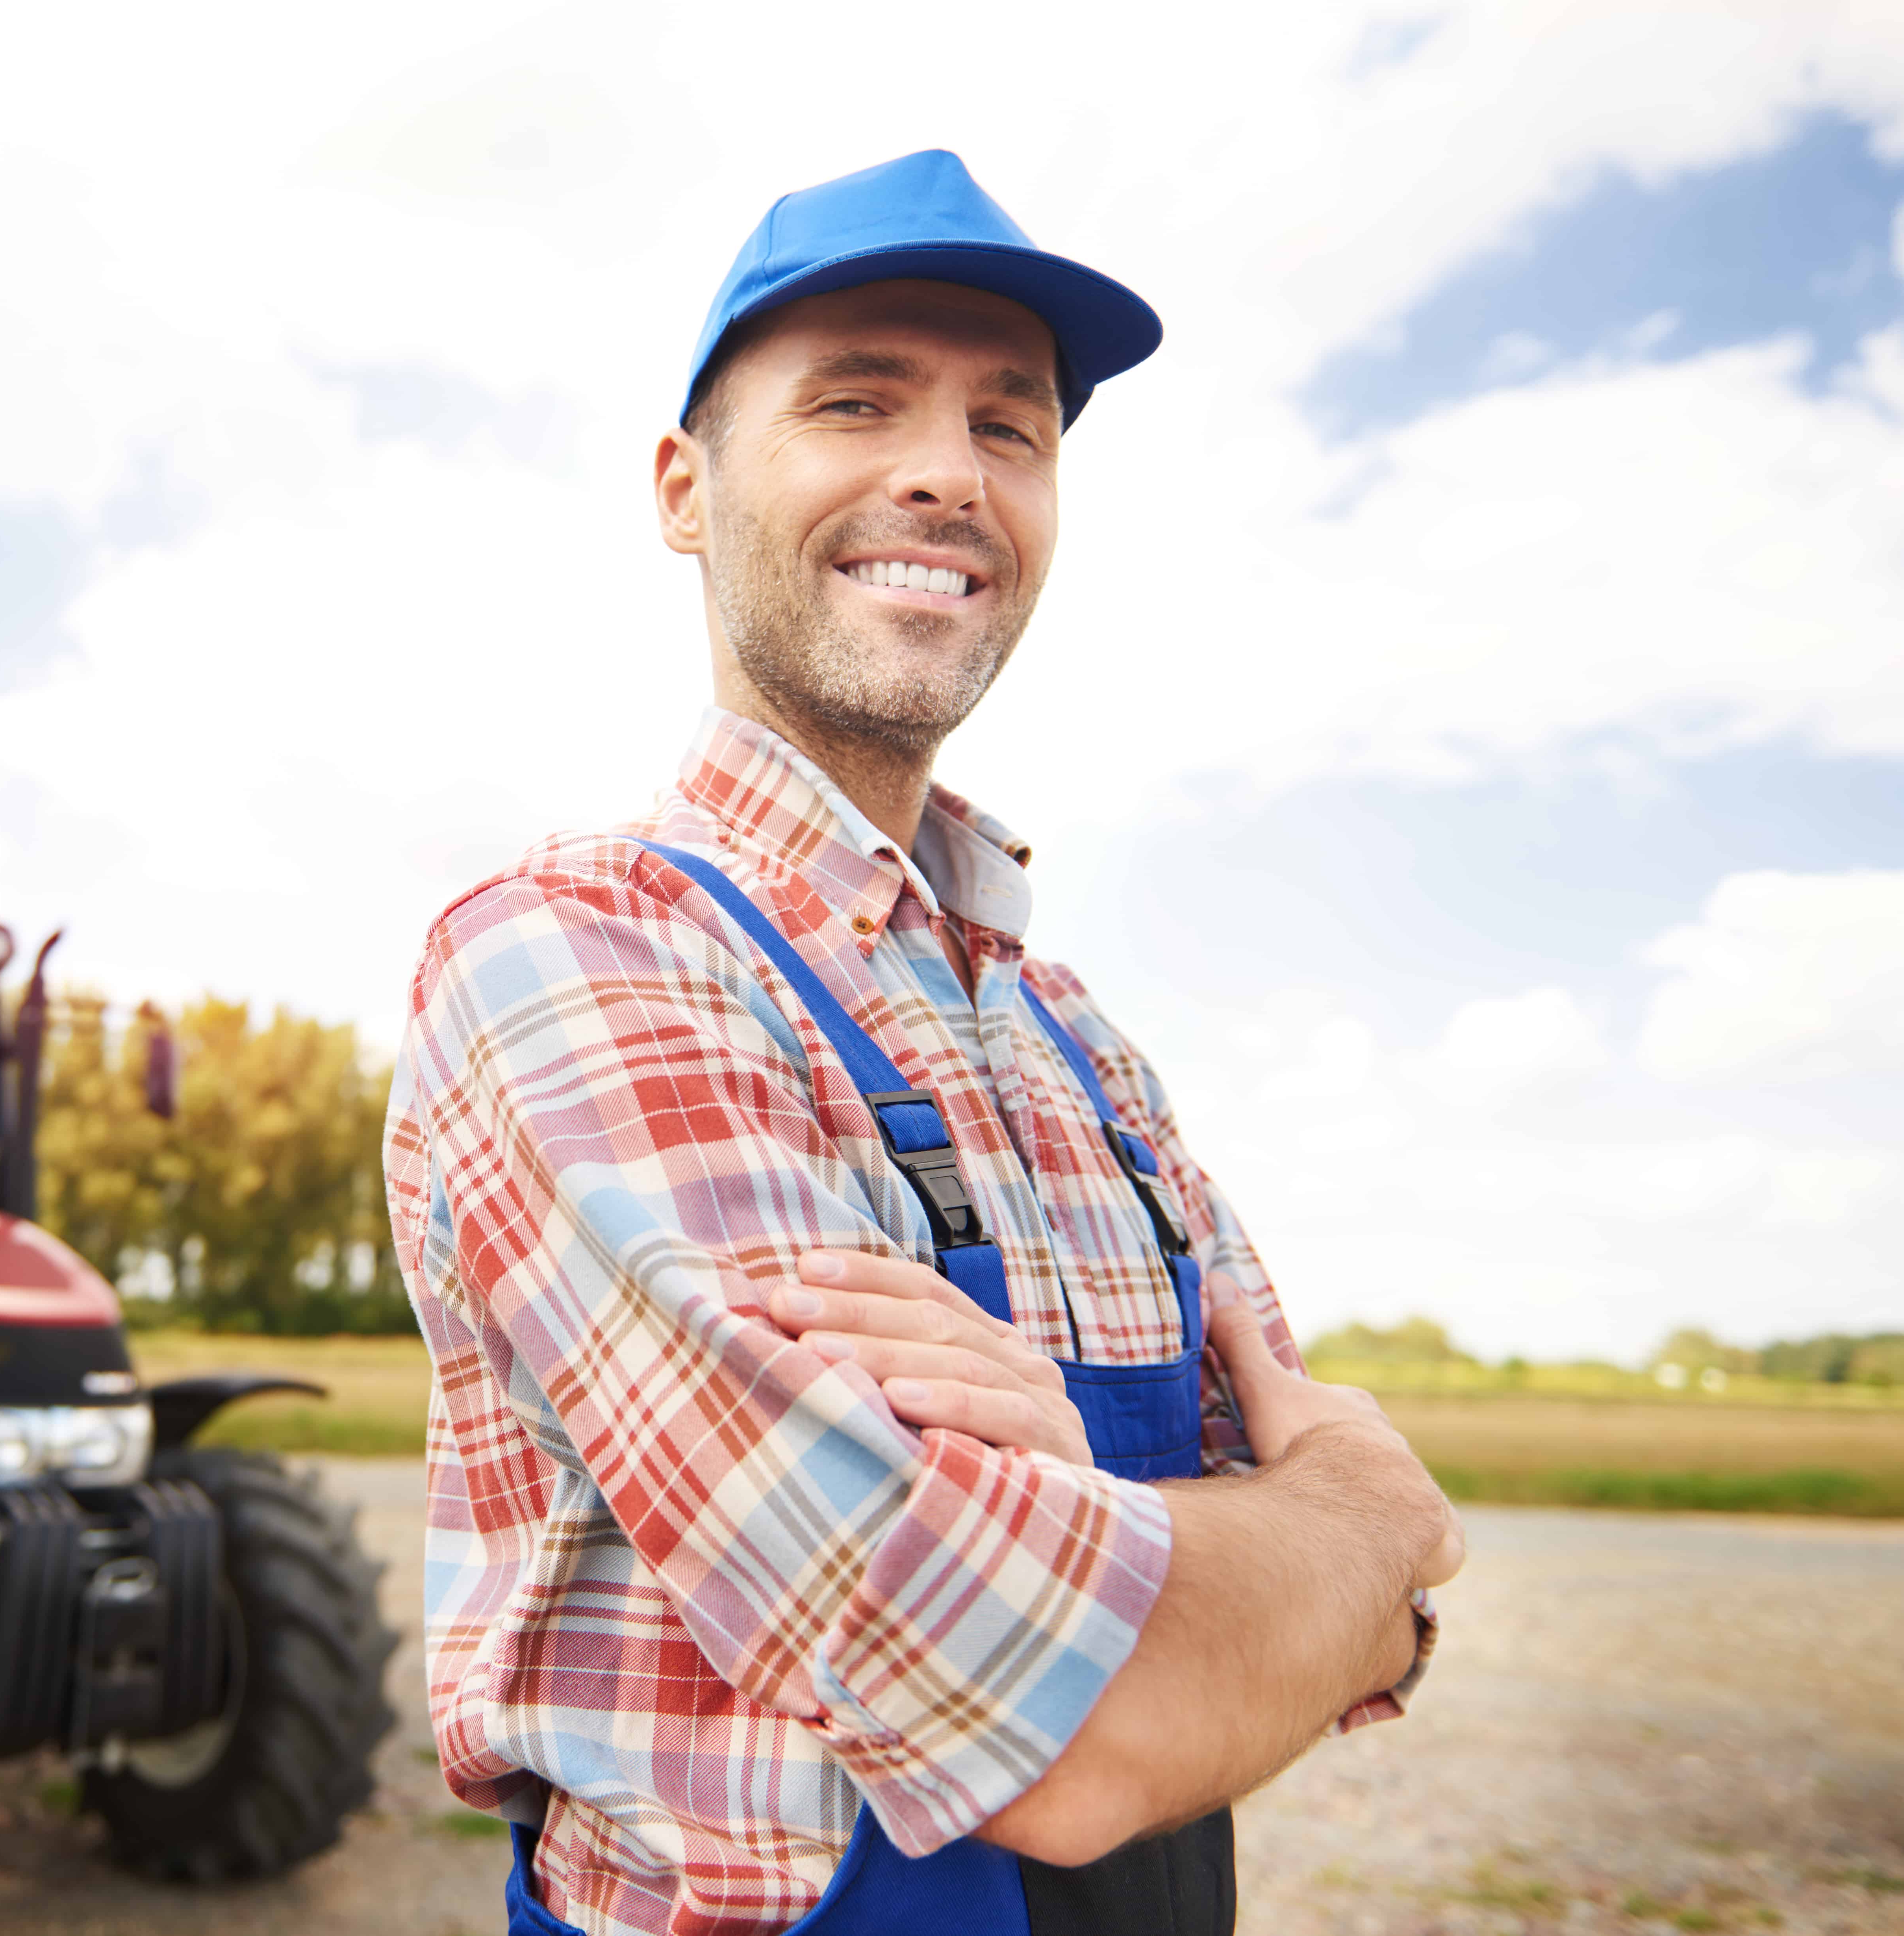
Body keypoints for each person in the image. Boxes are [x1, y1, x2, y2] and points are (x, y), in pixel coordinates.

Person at [382, 150, 1461, 1936]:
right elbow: (1078, 1724)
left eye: (1008, 426)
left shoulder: (1079, 1048)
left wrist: (1154, 1528)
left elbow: (1371, 1635)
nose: (945, 473)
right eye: (854, 399)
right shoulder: (571, 959)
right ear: (682, 487)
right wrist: (1343, 1509)